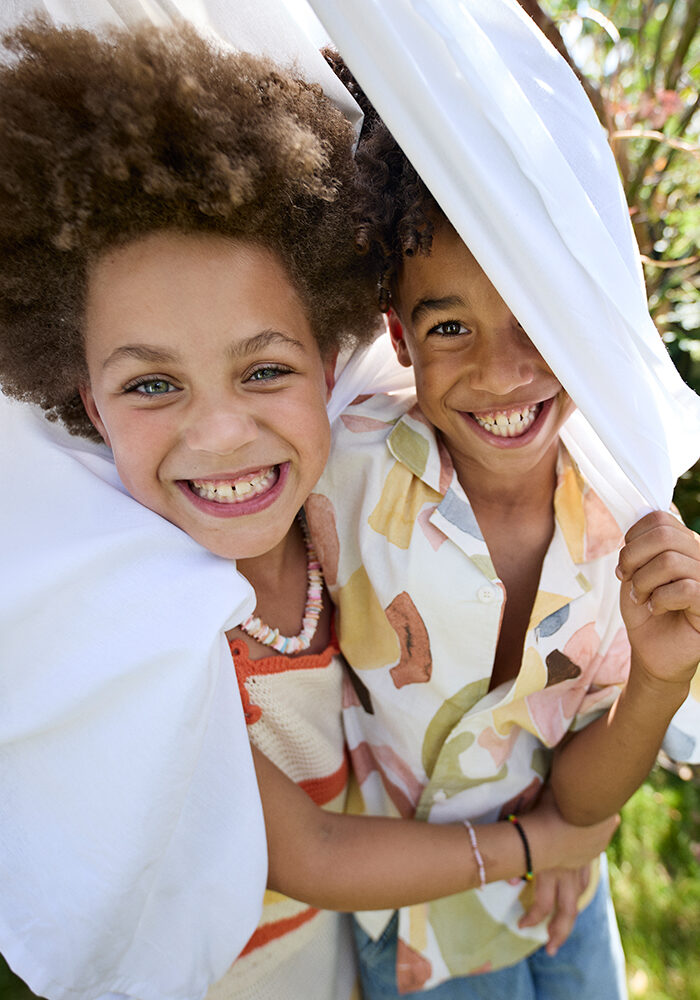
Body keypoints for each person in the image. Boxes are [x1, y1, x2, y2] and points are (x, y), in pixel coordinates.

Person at [0, 19, 619, 1000]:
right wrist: (540, 843)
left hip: (356, 944)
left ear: (331, 367)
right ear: (87, 403)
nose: (221, 435)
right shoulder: (156, 626)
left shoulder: (340, 501)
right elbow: (311, 849)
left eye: (265, 370)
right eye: (152, 385)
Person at [303, 53, 700, 999]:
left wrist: (659, 679)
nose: (502, 372)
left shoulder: (623, 519)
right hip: (417, 925)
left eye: (537, 319)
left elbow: (583, 796)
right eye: (450, 328)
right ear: (398, 335)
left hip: (561, 895)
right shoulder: (340, 471)